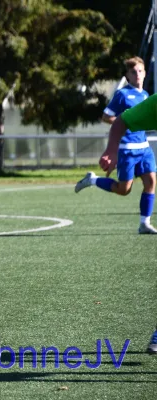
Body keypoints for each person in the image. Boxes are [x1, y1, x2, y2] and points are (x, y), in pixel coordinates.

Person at [92, 92, 157, 355]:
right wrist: (110, 149)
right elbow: (119, 121)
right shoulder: (144, 99)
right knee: (124, 188)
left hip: (142, 151)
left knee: (148, 183)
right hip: (130, 151)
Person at [75, 56, 156, 234]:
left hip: (143, 147)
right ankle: (93, 180)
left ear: (145, 73)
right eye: (133, 72)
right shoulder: (122, 95)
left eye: (140, 71)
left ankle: (144, 223)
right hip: (127, 149)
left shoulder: (146, 95)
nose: (137, 74)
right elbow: (106, 116)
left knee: (151, 181)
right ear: (127, 76)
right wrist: (125, 124)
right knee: (124, 189)